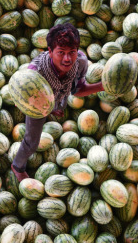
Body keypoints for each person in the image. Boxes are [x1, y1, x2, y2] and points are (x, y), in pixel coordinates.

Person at [11, 23, 105, 181]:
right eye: (61, 53)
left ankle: (54, 108)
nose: (67, 59)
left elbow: (77, 89)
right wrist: (21, 99)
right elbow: (20, 90)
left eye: (72, 52)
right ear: (50, 51)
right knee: (32, 142)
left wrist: (102, 86)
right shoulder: (35, 72)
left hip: (59, 96)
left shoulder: (80, 62)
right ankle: (17, 166)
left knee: (60, 103)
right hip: (37, 104)